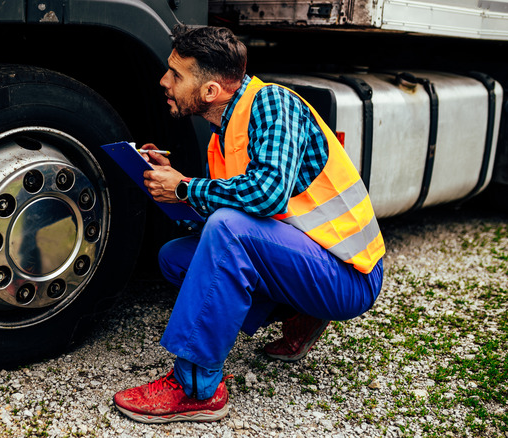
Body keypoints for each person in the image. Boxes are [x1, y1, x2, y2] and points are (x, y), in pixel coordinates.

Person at [113, 25, 385, 424]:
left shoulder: (272, 104)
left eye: (176, 74)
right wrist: (173, 180)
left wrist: (186, 189)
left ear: (209, 91)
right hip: (309, 259)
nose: (164, 81)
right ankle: (301, 310)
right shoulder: (222, 135)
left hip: (349, 274)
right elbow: (234, 208)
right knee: (175, 258)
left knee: (226, 229)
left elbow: (266, 195)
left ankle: (196, 388)